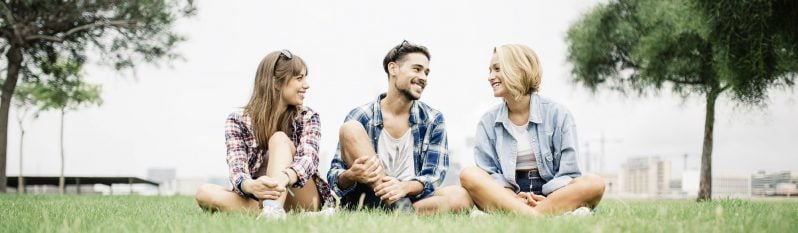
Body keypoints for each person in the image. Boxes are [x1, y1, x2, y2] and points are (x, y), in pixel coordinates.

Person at [327, 40, 472, 214]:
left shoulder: (433, 119)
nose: (424, 78)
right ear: (393, 68)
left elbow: (434, 175)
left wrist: (404, 187)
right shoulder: (361, 115)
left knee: (460, 197)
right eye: (417, 69)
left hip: (411, 198)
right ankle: (400, 209)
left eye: (426, 72)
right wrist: (351, 175)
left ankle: (399, 211)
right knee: (350, 128)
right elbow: (335, 177)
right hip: (368, 197)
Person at [459, 44, 605, 216]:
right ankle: (540, 216)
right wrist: (511, 196)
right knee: (468, 174)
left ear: (519, 70)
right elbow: (488, 173)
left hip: (553, 192)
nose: (490, 77)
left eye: (497, 69)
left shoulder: (558, 114)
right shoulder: (487, 122)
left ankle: (520, 214)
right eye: (490, 70)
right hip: (507, 194)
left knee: (595, 183)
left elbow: (569, 172)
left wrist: (548, 198)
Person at [195, 50, 333, 220]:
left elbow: (308, 158)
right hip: (258, 197)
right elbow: (237, 167)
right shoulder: (237, 120)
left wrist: (283, 178)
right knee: (204, 193)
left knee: (279, 139)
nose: (306, 85)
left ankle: (274, 209)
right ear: (276, 83)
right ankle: (286, 216)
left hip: (299, 194)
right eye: (299, 78)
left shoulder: (308, 117)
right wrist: (250, 186)